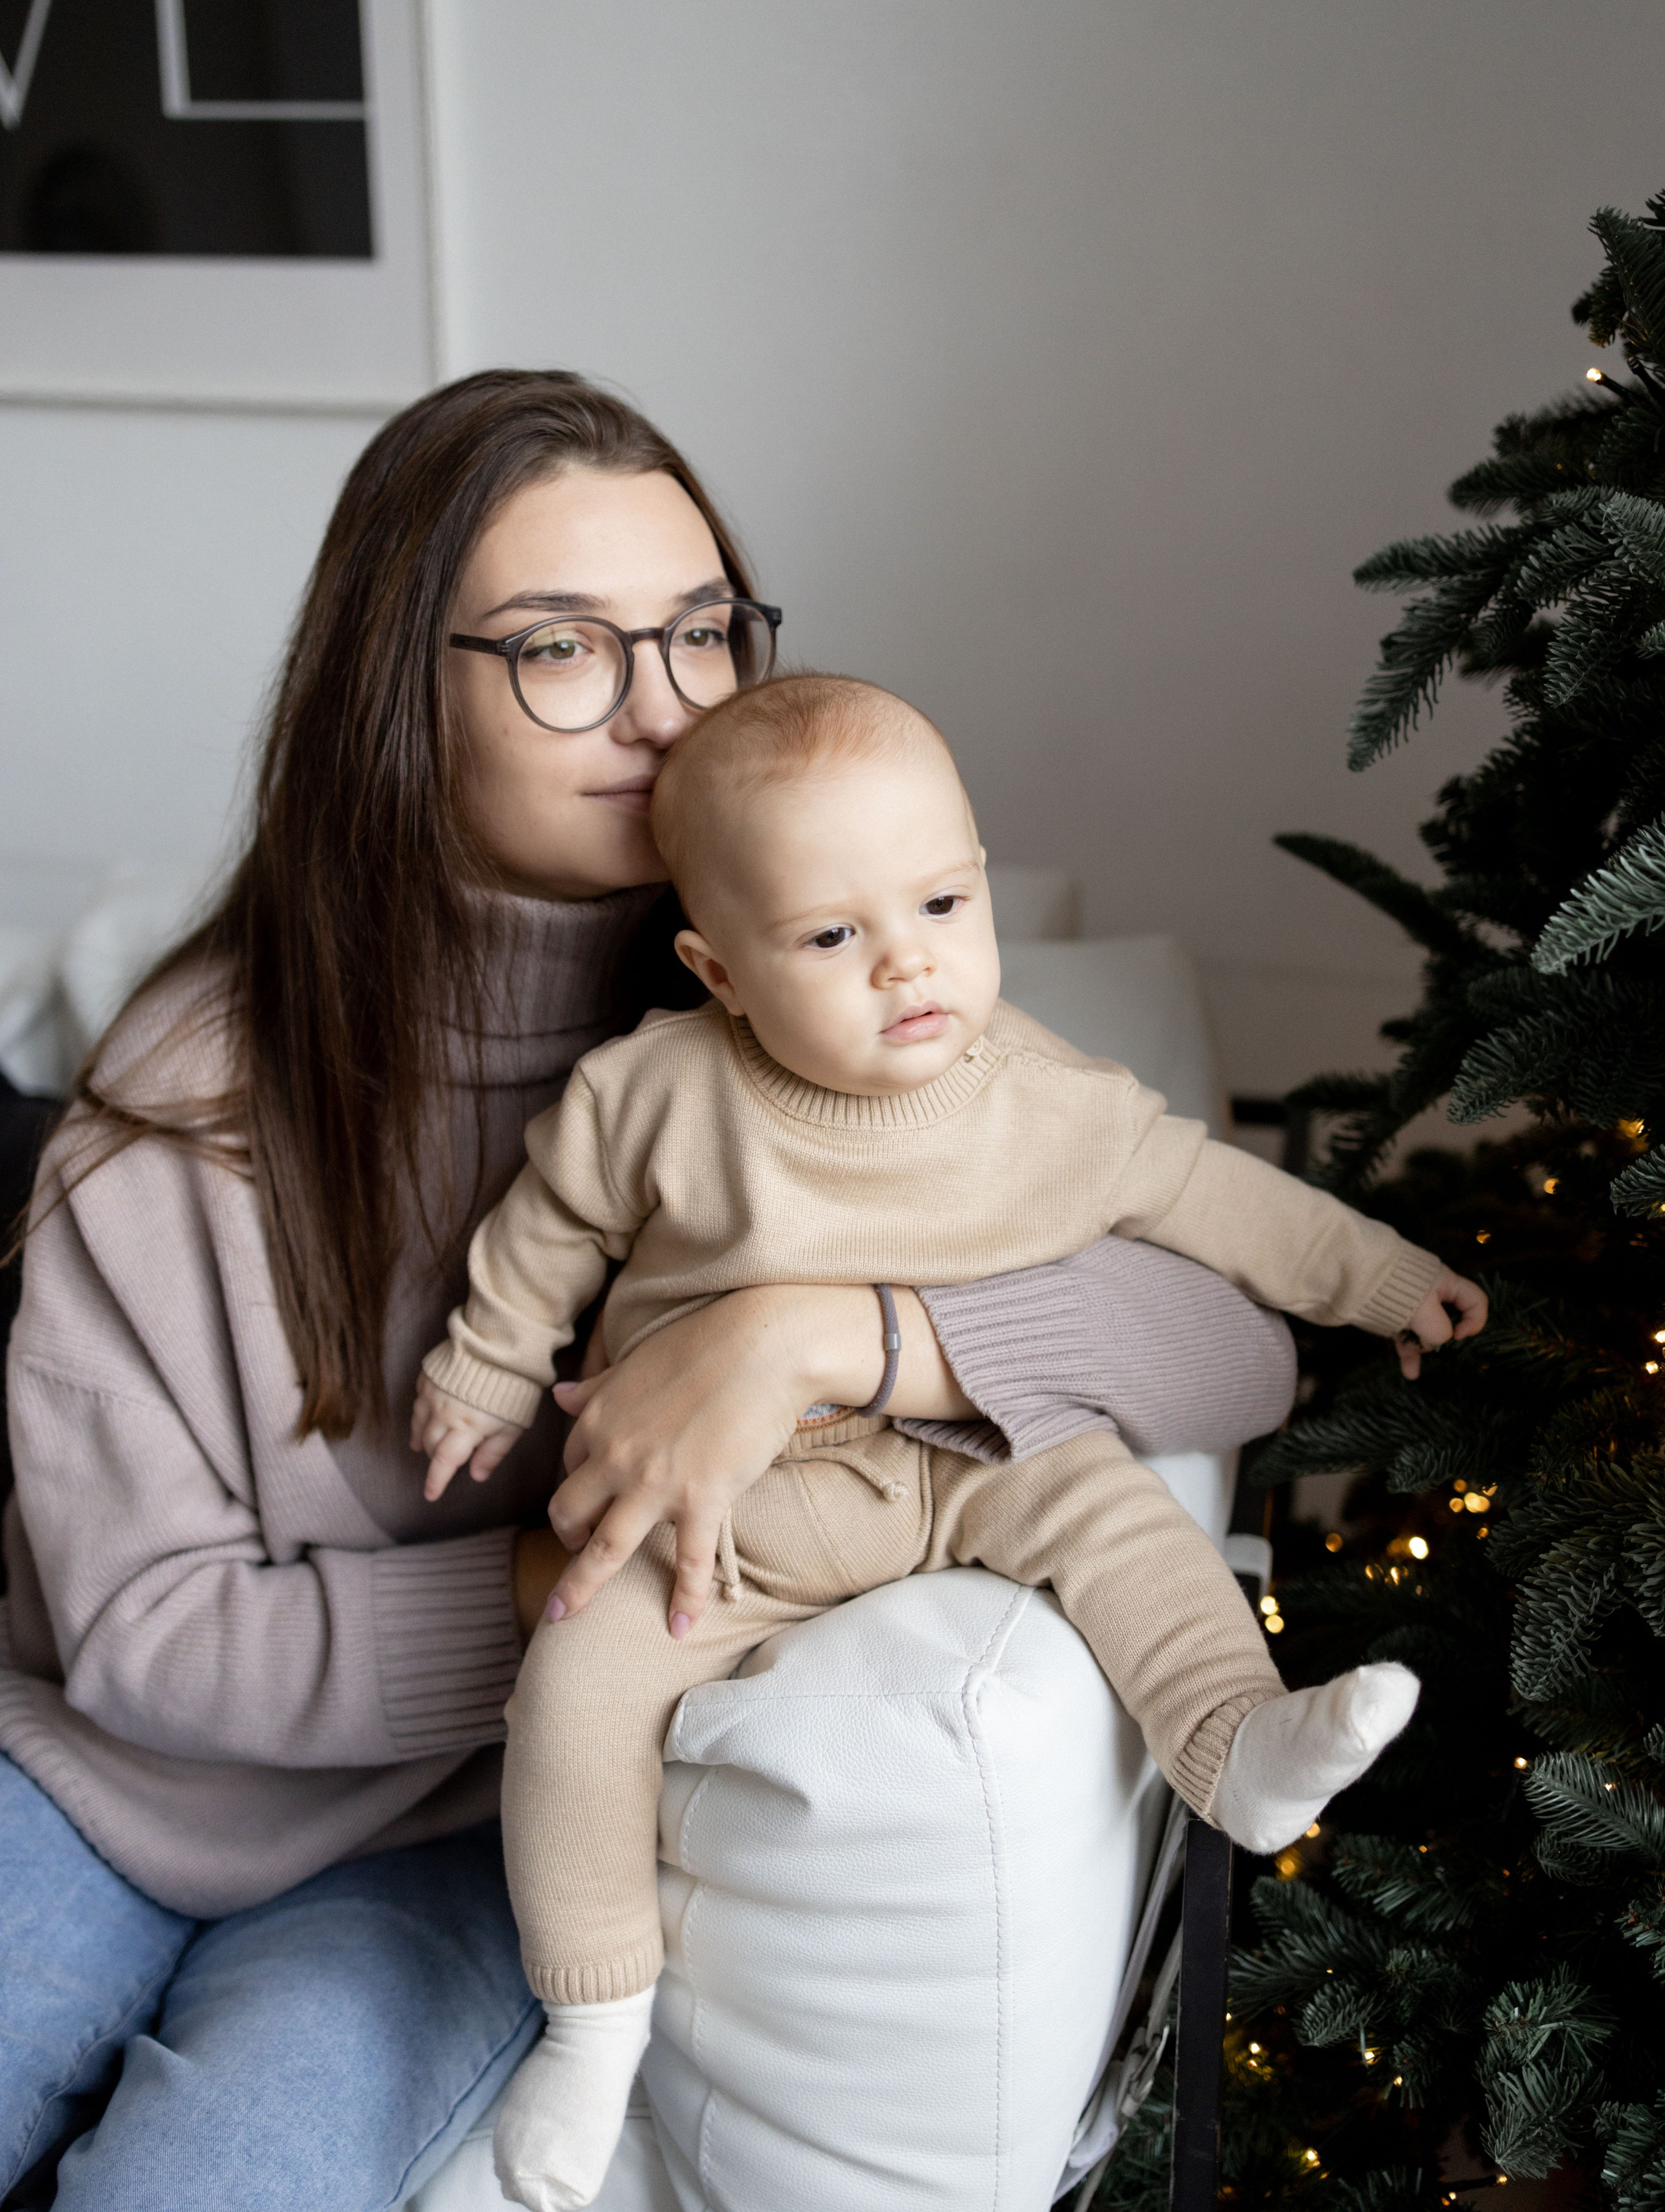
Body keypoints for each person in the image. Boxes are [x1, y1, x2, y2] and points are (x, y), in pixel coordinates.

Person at [1, 371, 1299, 2212]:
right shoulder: (193, 1091)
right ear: (400, 691)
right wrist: (566, 1581)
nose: (665, 703)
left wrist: (842, 1335)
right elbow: (144, 1630)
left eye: (702, 630)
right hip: (97, 1790)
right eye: (561, 648)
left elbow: (1234, 1343)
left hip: (463, 1839)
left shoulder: (827, 1013)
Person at [412, 673, 1486, 2212]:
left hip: (977, 1447)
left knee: (1122, 1528)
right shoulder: (653, 1093)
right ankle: (591, 2028)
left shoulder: (1042, 1097)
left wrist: (1375, 1273)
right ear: (718, 969)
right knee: (576, 1686)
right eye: (832, 937)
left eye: (938, 899)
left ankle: (1235, 1749)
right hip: (736, 1509)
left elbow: (1215, 1202)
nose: (907, 961)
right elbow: (546, 1234)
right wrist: (484, 1364)